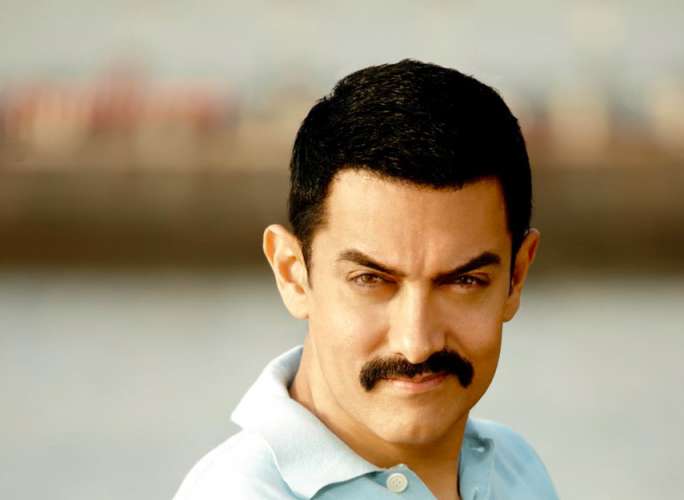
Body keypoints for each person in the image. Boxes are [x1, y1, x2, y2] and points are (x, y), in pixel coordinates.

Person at [174, 59, 558, 500]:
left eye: (464, 282)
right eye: (371, 280)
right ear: (292, 274)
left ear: (516, 277)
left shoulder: (515, 467)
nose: (416, 344)